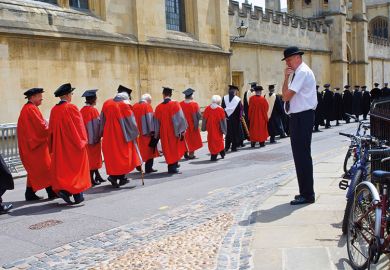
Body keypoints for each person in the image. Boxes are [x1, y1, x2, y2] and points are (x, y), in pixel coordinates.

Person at [281, 46, 317, 205]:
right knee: (299, 156)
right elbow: (285, 97)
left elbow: (286, 96)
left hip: (303, 117)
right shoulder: (297, 72)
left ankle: (308, 194)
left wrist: (286, 79)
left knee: (302, 156)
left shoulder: (302, 72)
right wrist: (286, 78)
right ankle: (304, 191)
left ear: (297, 57)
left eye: (289, 59)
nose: (287, 63)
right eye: (286, 60)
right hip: (298, 117)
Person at [49, 83, 91, 204]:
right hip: (72, 145)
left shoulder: (54, 110)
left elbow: (50, 130)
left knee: (65, 170)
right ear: (67, 95)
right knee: (77, 169)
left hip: (59, 146)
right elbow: (79, 126)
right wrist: (83, 141)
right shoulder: (71, 107)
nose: (72, 96)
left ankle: (67, 191)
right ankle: (74, 194)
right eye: (71, 94)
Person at [17, 87, 56, 201]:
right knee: (46, 168)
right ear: (32, 97)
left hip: (31, 145)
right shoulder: (31, 109)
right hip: (35, 146)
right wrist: (51, 127)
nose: (41, 98)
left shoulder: (28, 108)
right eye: (39, 96)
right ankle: (51, 192)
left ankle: (29, 193)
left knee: (35, 171)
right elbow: (41, 126)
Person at [100, 86, 142, 187]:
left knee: (113, 158)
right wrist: (135, 133)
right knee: (123, 158)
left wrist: (102, 133)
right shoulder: (125, 106)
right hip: (121, 136)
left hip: (108, 135)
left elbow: (102, 120)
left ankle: (121, 178)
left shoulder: (106, 103)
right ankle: (114, 177)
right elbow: (131, 122)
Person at [154, 87, 188, 174]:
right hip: (173, 132)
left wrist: (157, 134)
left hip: (163, 133)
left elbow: (156, 123)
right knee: (174, 149)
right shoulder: (175, 104)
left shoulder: (158, 107)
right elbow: (180, 119)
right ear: (171, 95)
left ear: (163, 95)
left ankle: (173, 165)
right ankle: (172, 168)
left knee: (167, 150)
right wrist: (181, 131)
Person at [80, 89, 105, 186]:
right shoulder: (93, 110)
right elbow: (96, 126)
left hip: (85, 139)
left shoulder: (81, 110)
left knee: (90, 159)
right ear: (93, 99)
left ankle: (97, 175)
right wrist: (97, 137)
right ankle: (91, 179)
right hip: (93, 139)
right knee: (94, 160)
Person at [132, 93, 159, 173]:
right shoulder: (147, 106)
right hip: (146, 133)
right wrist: (153, 132)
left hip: (136, 133)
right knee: (149, 151)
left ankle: (138, 165)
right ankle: (148, 168)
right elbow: (150, 120)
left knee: (138, 150)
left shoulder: (134, 106)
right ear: (148, 100)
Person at [202, 95, 227, 161]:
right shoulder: (220, 109)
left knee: (211, 141)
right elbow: (223, 121)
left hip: (210, 128)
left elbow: (204, 119)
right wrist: (224, 130)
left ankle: (216, 154)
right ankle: (220, 153)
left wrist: (203, 128)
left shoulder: (207, 108)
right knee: (219, 140)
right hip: (218, 128)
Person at [180, 88, 203, 159]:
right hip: (192, 125)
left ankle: (185, 152)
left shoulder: (180, 104)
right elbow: (199, 115)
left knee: (184, 139)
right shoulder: (194, 104)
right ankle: (191, 154)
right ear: (191, 96)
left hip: (183, 125)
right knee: (192, 139)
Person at [222, 85, 243, 152]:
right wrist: (240, 117)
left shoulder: (224, 98)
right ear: (234, 91)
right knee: (235, 133)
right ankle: (234, 147)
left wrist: (224, 116)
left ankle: (227, 147)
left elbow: (222, 108)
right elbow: (240, 110)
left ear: (229, 91)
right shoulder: (238, 99)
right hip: (235, 120)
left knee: (227, 133)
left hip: (227, 119)